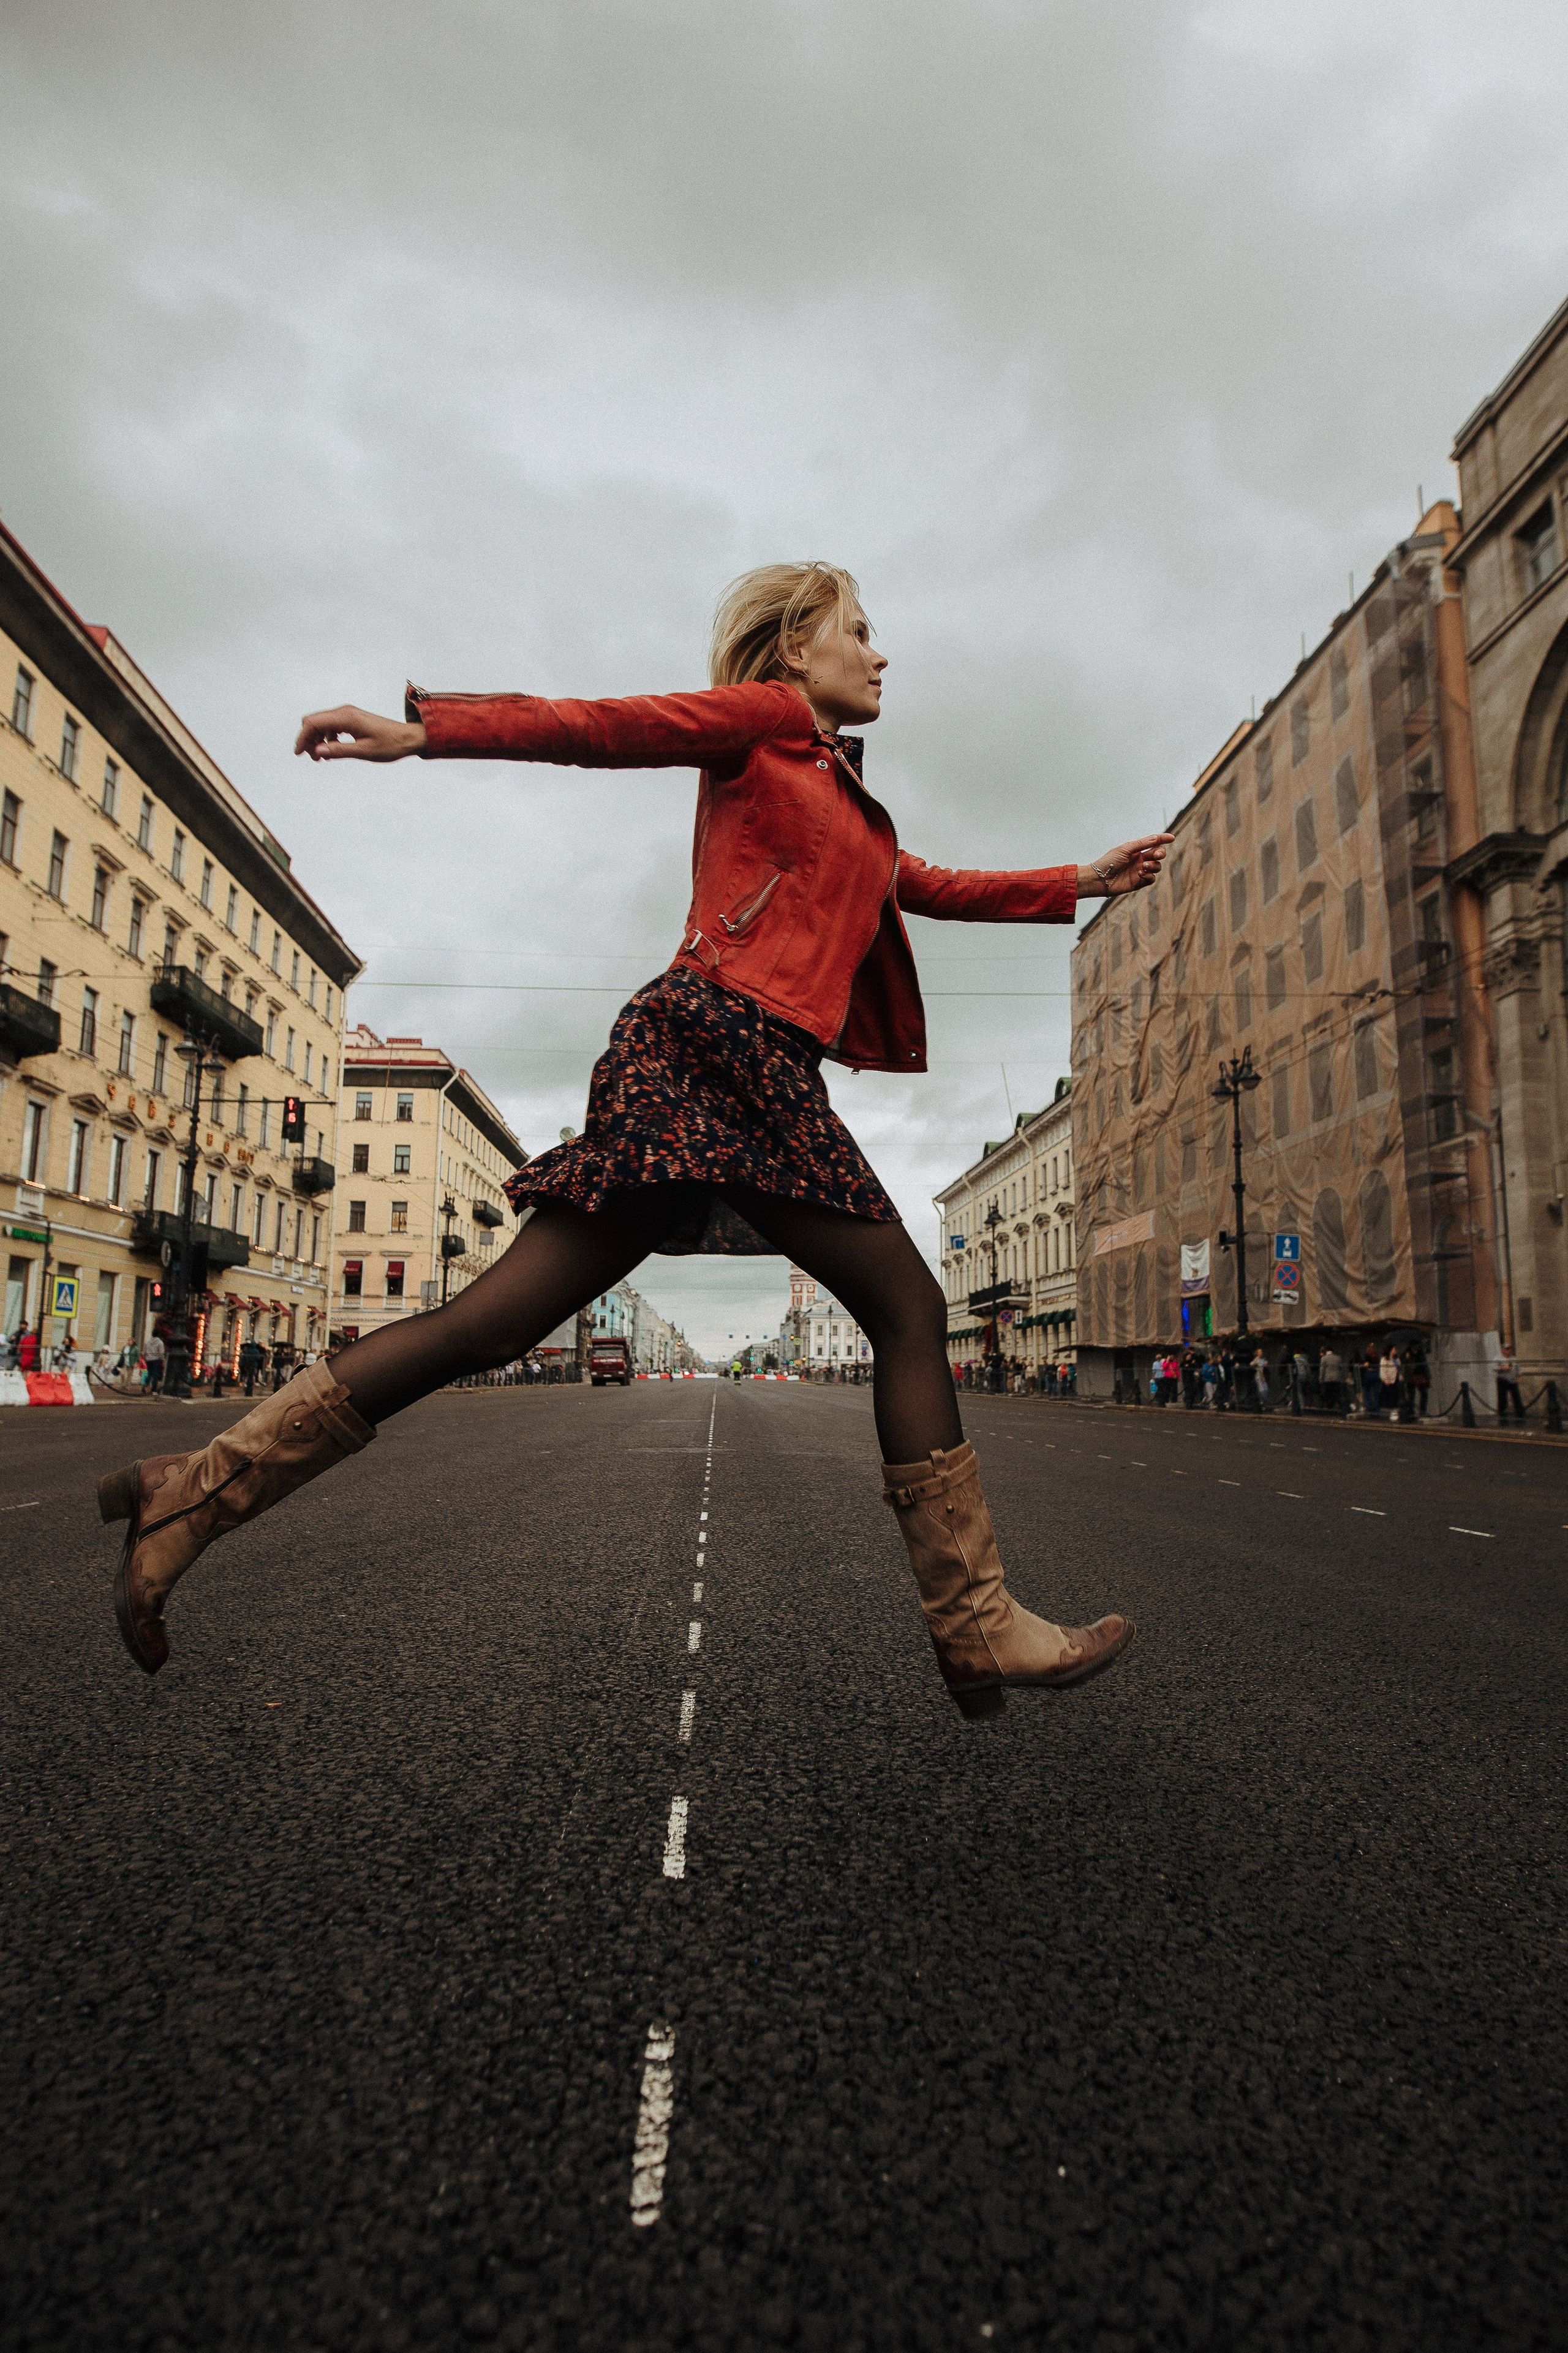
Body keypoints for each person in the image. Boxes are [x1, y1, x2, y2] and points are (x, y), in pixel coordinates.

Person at [99, 562, 1168, 1712]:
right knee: (909, 1309)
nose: (881, 652)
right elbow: (606, 727)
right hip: (716, 1044)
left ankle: (194, 1493)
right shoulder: (764, 724)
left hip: (737, 1063)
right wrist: (428, 732)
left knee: (491, 1321)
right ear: (795, 652)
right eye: (860, 630)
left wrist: (1079, 877)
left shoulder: (847, 802)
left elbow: (927, 884)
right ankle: (976, 1625)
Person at [1494, 1337, 1525, 1421]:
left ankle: (1520, 1414)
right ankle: (1503, 1415)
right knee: (1503, 1398)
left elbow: (1518, 1369)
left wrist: (1520, 1376)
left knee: (1516, 1397)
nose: (1508, 1351)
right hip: (1503, 1380)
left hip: (1513, 1380)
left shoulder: (1513, 1359)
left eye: (1509, 1349)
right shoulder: (1498, 1358)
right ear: (1502, 1350)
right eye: (1506, 1349)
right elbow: (1495, 1368)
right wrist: (1504, 1368)